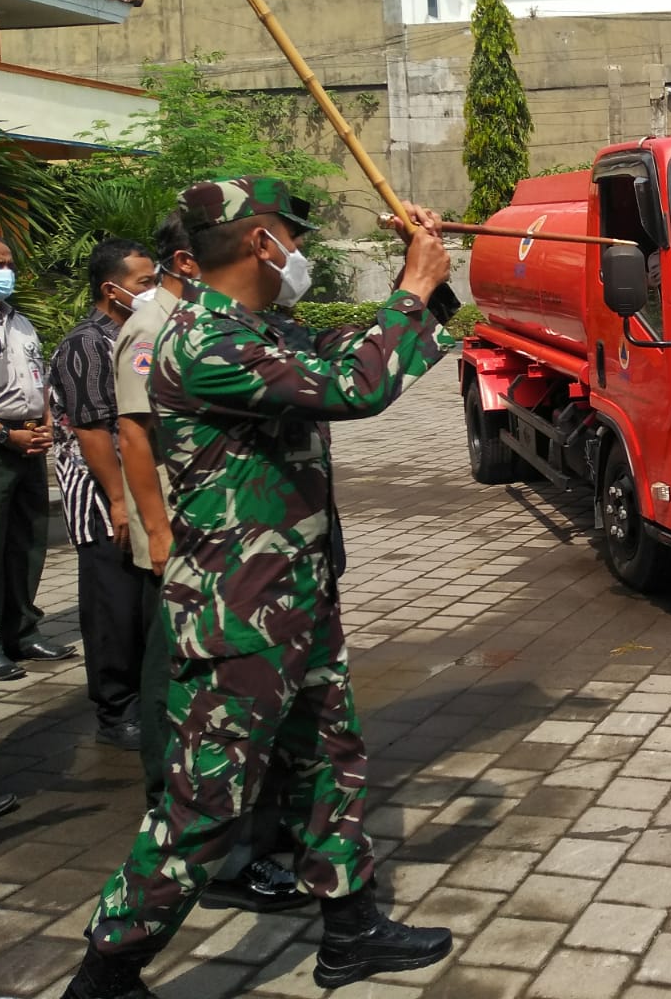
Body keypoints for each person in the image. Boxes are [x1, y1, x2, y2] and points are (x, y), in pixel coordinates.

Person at [61, 177, 457, 999]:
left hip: (291, 594)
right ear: (258, 241)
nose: (300, 253)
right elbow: (357, 389)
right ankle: (107, 972)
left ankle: (350, 932)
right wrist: (414, 287)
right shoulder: (205, 340)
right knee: (205, 801)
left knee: (327, 761)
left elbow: (353, 360)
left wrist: (423, 280)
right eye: (292, 236)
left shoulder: (251, 328)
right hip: (237, 611)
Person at [112, 211, 305, 913]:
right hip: (195, 536)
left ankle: (247, 830)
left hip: (232, 532)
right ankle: (195, 832)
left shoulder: (223, 323)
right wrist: (154, 530)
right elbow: (132, 434)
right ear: (186, 261)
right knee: (187, 684)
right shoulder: (154, 327)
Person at [49, 238, 157, 750]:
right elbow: (93, 431)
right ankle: (116, 710)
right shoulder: (88, 344)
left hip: (138, 490)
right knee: (112, 605)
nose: (151, 290)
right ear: (110, 288)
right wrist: (117, 500)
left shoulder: (133, 332)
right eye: (143, 283)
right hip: (101, 496)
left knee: (141, 603)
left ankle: (146, 696)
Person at [0, 234, 73, 682]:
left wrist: (43, 428)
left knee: (27, 541)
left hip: (29, 440)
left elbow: (37, 381)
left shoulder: (20, 322)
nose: (3, 272)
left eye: (7, 263)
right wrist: (4, 434)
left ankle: (22, 629)